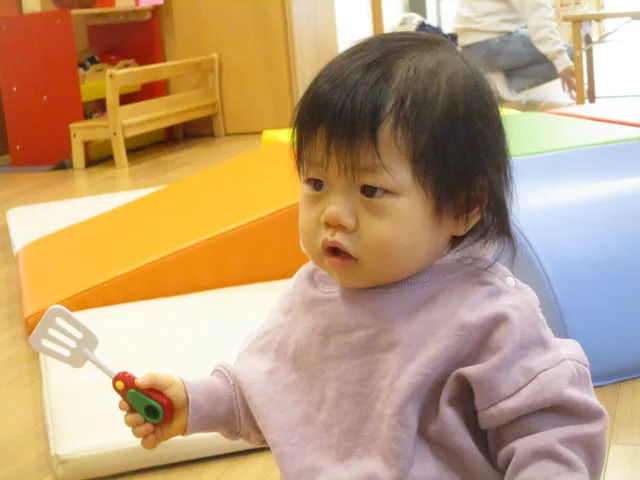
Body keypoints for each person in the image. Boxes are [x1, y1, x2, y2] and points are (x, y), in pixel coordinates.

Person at [120, 32, 607, 478]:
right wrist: (195, 403)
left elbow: (552, 435)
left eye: (371, 190)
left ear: (461, 207)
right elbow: (267, 388)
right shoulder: (312, 295)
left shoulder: (490, 316)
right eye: (316, 183)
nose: (333, 214)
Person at [453, 0, 577, 100]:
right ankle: (499, 85)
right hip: (491, 43)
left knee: (543, 43)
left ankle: (491, 80)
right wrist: (562, 62)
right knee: (573, 54)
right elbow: (541, 24)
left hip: (468, 48)